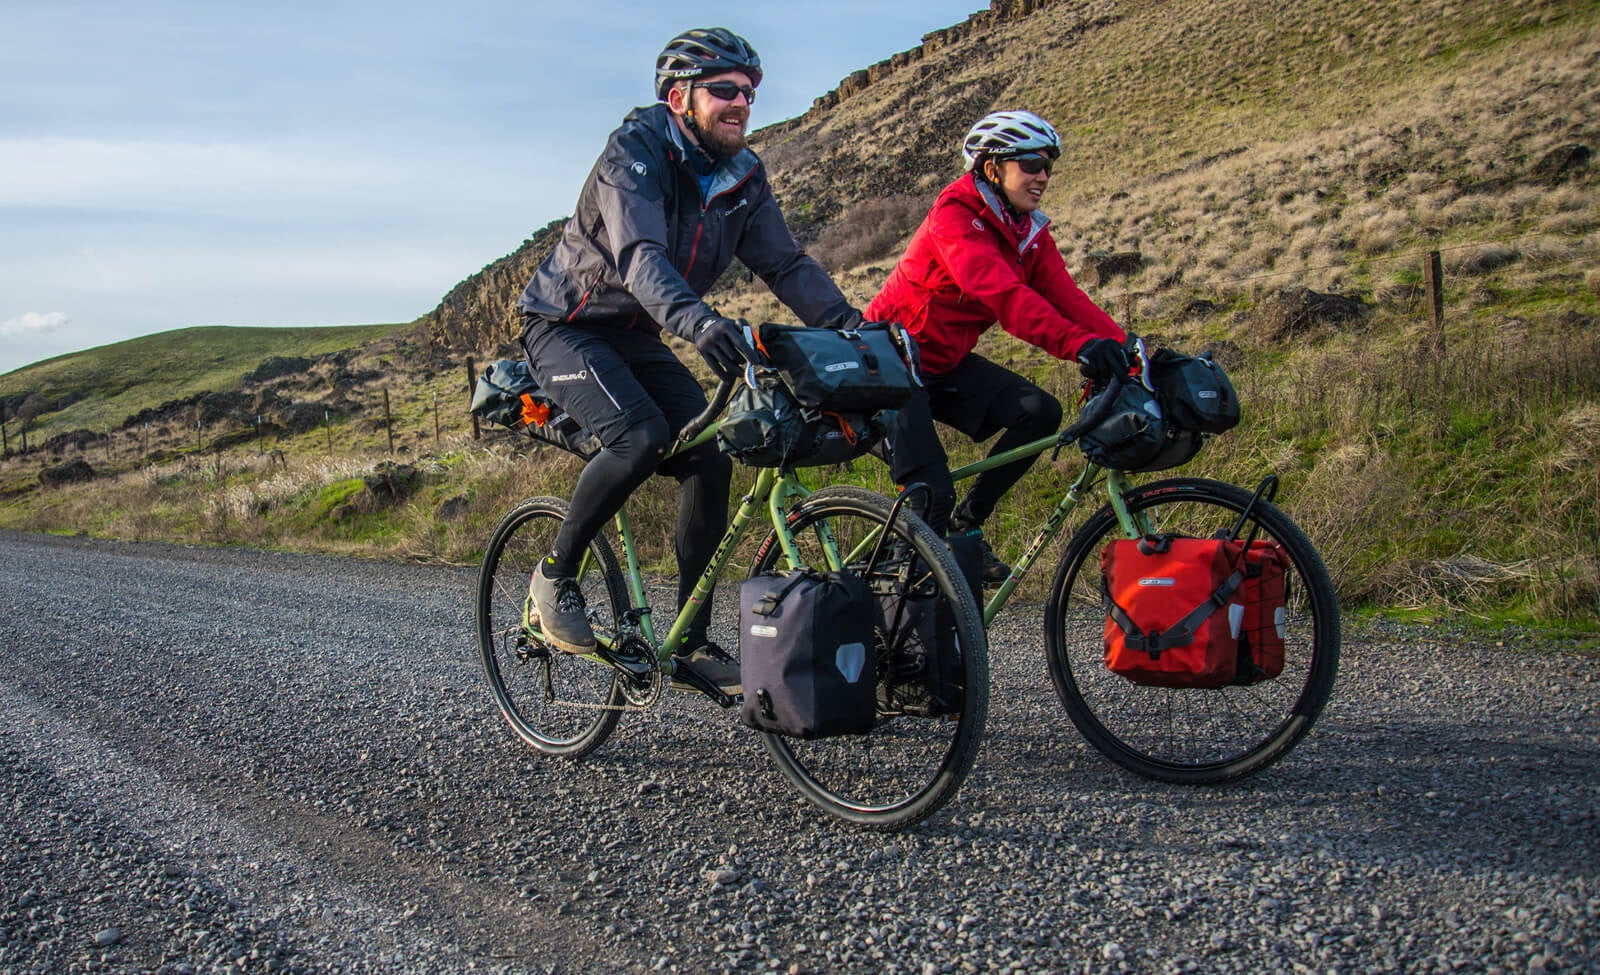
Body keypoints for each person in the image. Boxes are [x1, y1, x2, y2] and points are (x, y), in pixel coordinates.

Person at [516, 27, 862, 695]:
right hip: (566, 324)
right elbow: (640, 255)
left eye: (750, 92)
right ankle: (555, 576)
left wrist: (851, 326)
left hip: (638, 333)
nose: (742, 102)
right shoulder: (636, 151)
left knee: (708, 453)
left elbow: (785, 264)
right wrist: (698, 322)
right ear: (679, 97)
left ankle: (692, 638)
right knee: (640, 435)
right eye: (725, 90)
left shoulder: (742, 175)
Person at [865, 110, 1129, 584]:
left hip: (941, 363)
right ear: (992, 168)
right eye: (1030, 164)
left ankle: (967, 526)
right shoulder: (955, 216)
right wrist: (1079, 348)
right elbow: (1006, 297)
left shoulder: (1026, 230)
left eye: (1049, 164)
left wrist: (1125, 346)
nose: (1043, 176)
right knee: (930, 494)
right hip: (887, 363)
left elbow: (1066, 297)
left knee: (1039, 413)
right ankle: (890, 602)